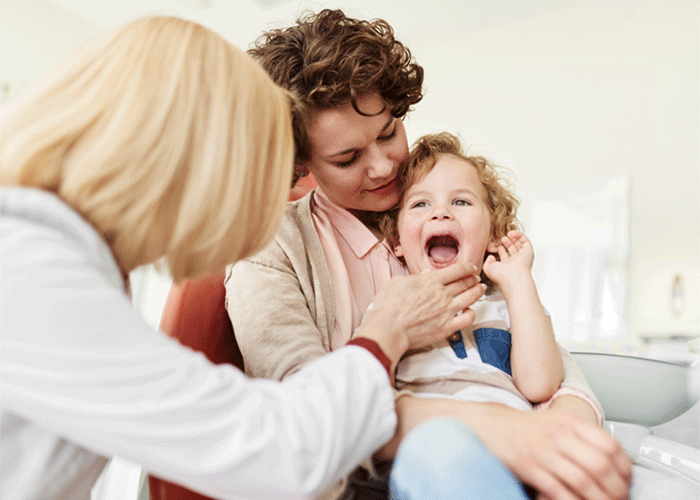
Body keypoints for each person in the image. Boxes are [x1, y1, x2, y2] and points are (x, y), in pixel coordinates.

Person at [0, 16, 480, 500]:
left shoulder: (65, 263)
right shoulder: (28, 271)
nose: (246, 205)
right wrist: (387, 332)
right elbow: (276, 452)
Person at [225, 9, 633, 500]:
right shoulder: (271, 252)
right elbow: (306, 413)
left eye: (388, 132)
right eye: (347, 159)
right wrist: (502, 429)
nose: (382, 169)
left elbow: (516, 343)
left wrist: (566, 420)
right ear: (300, 162)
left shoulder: (435, 211)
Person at [383, 132, 564, 412]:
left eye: (461, 202)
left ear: (494, 234)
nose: (440, 212)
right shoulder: (390, 307)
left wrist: (518, 280)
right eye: (421, 204)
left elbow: (540, 385)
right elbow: (367, 393)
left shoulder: (512, 308)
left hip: (510, 440)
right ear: (397, 241)